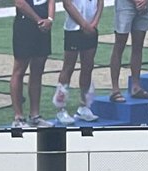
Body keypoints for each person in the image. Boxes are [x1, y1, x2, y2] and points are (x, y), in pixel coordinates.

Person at [53, 0, 103, 123]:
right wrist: (84, 24)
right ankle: (61, 109)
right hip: (74, 29)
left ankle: (84, 106)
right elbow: (67, 4)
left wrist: (95, 23)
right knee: (68, 68)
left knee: (88, 66)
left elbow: (100, 3)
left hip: (92, 27)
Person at [10, 0, 56, 130]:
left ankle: (35, 115)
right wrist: (39, 20)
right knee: (19, 70)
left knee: (37, 70)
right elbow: (20, 3)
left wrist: (50, 19)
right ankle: (18, 116)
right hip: (25, 24)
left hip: (43, 26)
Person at [108, 0, 148, 102]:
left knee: (138, 45)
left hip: (144, 4)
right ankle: (115, 89)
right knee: (120, 44)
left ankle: (136, 86)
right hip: (125, 3)